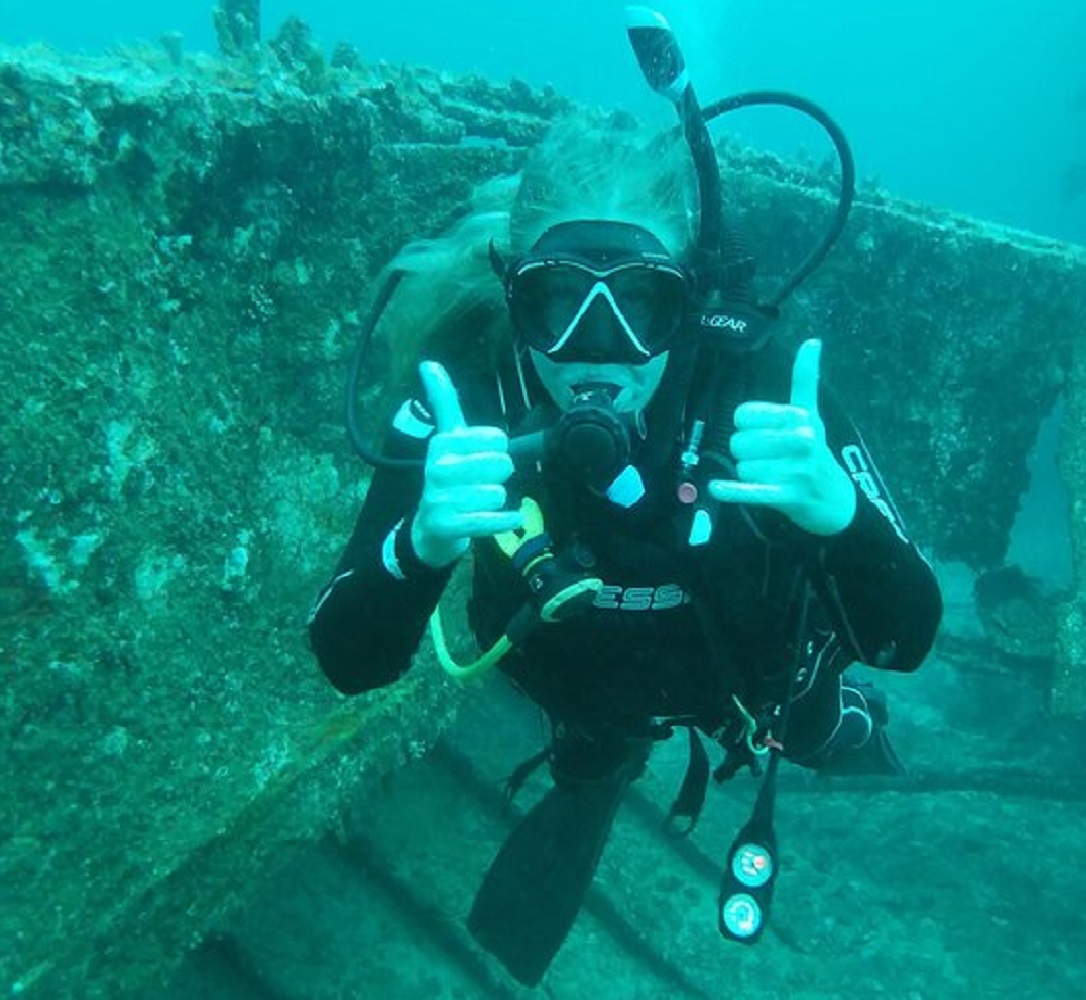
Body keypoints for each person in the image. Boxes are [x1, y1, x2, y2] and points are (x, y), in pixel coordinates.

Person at [307, 109, 941, 982]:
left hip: (753, 679)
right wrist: (420, 543)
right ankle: (602, 757)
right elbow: (349, 660)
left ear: (688, 301)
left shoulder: (759, 391)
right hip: (570, 679)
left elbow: (904, 638)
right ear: (512, 295)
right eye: (558, 302)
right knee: (592, 747)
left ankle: (829, 725)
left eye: (640, 304)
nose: (596, 353)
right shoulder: (468, 392)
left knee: (814, 720)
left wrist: (841, 514)